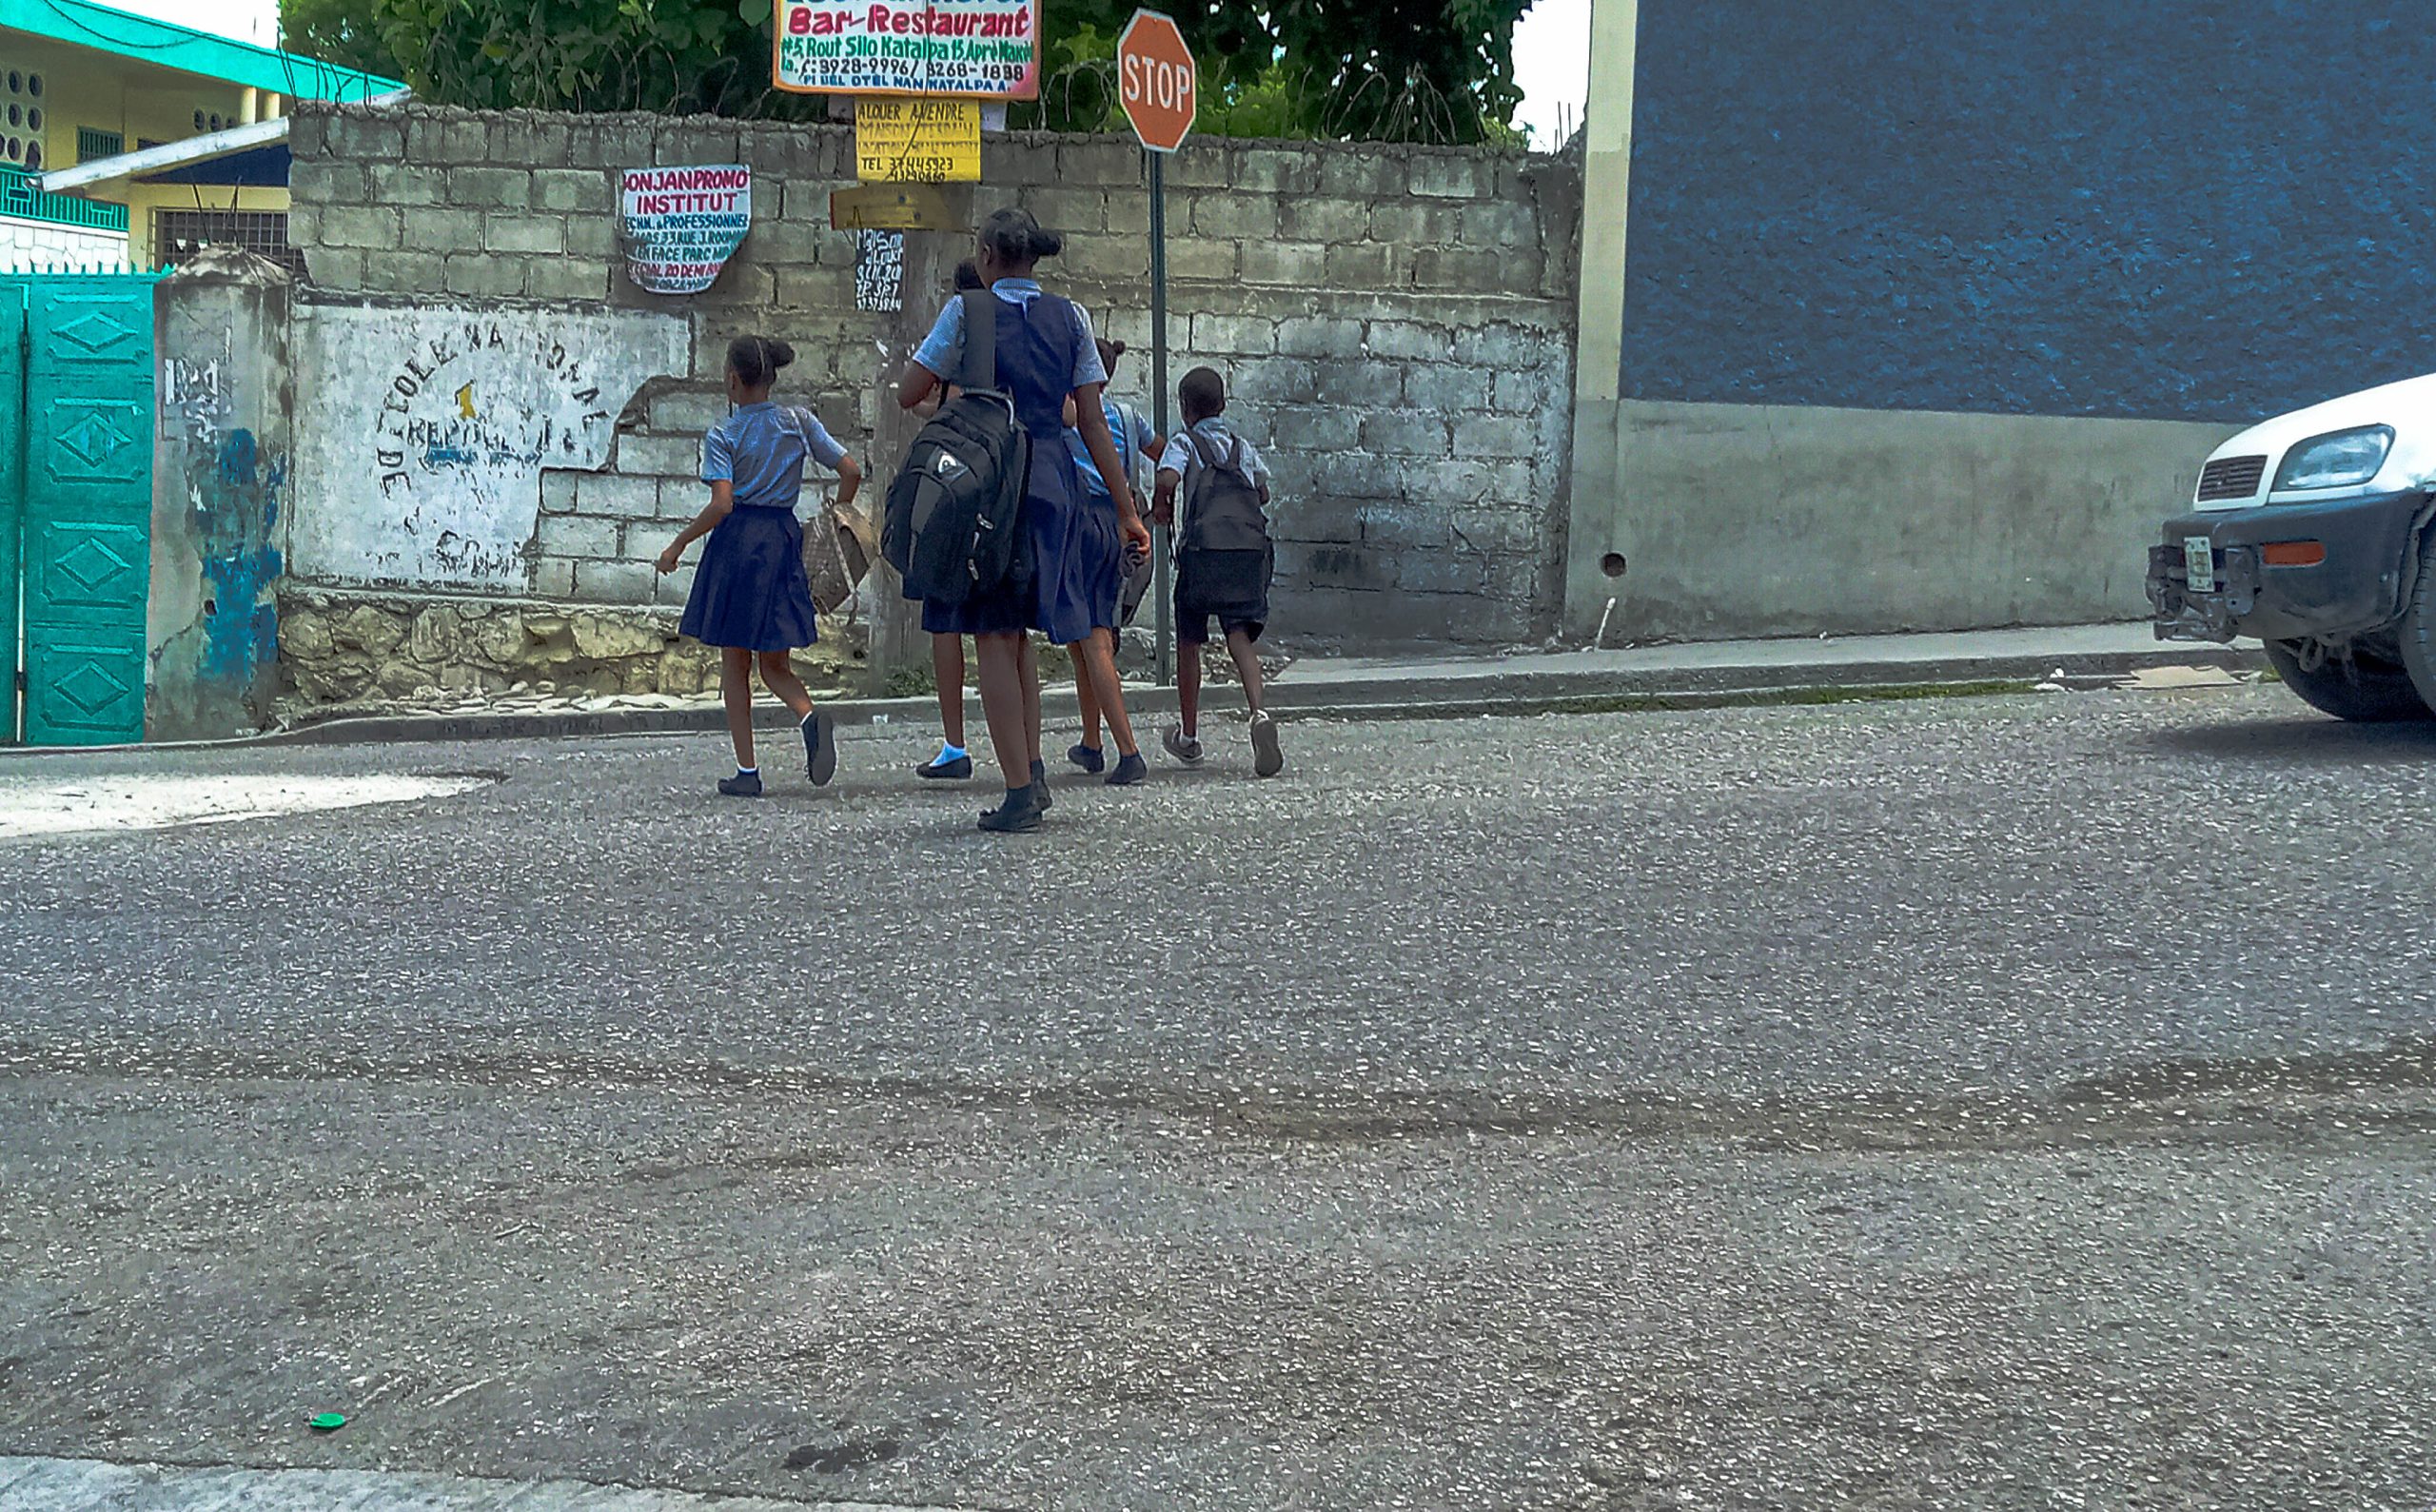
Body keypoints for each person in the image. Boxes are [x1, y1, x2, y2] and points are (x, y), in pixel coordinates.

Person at [897, 208, 1152, 833]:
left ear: (984, 254)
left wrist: (959, 396)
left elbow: (909, 391)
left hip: (992, 483)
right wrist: (1126, 511)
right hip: (1055, 486)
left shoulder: (967, 312)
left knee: (993, 635)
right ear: (1033, 257)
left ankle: (1018, 789)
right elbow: (1090, 420)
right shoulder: (1072, 318)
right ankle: (1031, 766)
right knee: (1024, 640)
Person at [656, 335, 861, 796]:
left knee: (735, 661)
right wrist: (836, 520)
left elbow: (722, 503)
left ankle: (747, 771)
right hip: (784, 541)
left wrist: (678, 545)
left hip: (738, 547)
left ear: (732, 381)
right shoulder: (799, 421)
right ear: (770, 379)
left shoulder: (723, 435)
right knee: (774, 662)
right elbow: (849, 470)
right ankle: (808, 717)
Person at [1154, 365, 1283, 778]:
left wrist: (1161, 505)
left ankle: (1189, 736)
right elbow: (1262, 491)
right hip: (1245, 554)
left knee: (1189, 642)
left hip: (1202, 555)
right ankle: (1260, 714)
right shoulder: (1241, 446)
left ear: (1185, 409)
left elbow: (1169, 477)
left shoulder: (1184, 442)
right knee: (1239, 636)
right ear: (1223, 405)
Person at [1060, 336, 1162, 777]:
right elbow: (1165, 451)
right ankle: (1091, 740)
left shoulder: (1067, 413)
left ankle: (1128, 751)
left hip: (1081, 524)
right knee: (1082, 642)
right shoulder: (1127, 415)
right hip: (1120, 523)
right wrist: (1159, 502)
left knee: (1096, 640)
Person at [914, 258, 991, 782]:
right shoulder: (1029, 323)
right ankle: (1023, 754)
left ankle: (954, 744)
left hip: (951, 477)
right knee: (1003, 628)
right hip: (1006, 479)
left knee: (945, 619)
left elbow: (909, 393)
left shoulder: (960, 319)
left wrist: (946, 406)